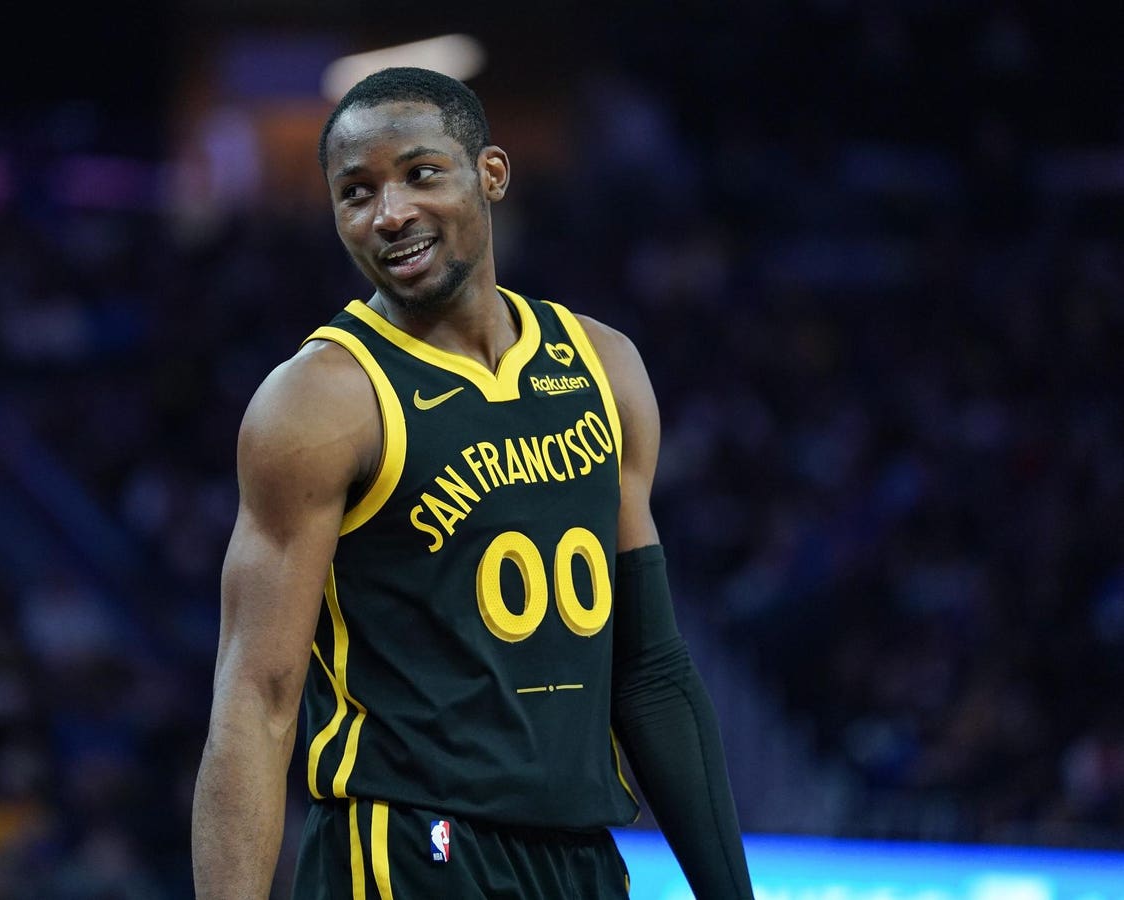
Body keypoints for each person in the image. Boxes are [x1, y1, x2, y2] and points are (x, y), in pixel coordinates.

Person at [192, 66, 754, 899]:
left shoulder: (603, 366)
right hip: (408, 847)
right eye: (356, 192)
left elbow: (651, 670)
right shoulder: (320, 399)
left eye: (421, 174)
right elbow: (257, 700)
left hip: (577, 856)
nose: (390, 213)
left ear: (490, 173)